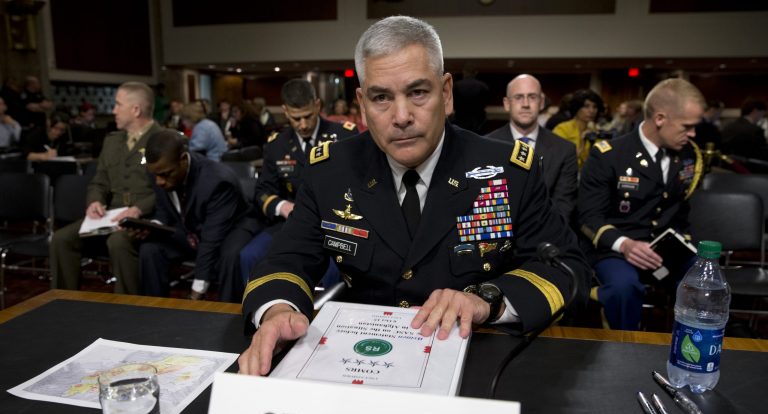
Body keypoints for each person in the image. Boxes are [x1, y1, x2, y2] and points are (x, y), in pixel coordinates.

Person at [238, 16, 589, 376]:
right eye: (381, 97)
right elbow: (286, 260)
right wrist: (278, 312)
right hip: (361, 363)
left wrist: (487, 299)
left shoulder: (508, 171)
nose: (401, 116)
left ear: (446, 92)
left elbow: (567, 270)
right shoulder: (331, 171)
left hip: (475, 359)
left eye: (418, 92)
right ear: (361, 102)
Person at [577, 78, 705, 331]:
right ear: (660, 119)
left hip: (665, 248)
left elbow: (681, 211)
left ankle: (691, 348)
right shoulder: (609, 155)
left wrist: (682, 243)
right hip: (615, 248)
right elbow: (588, 217)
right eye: (686, 126)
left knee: (705, 281)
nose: (693, 134)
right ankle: (625, 348)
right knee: (623, 288)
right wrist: (625, 244)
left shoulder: (689, 155)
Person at [238, 79, 358, 283]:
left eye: (308, 116)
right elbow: (263, 191)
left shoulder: (344, 135)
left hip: (334, 223)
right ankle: (257, 311)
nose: (303, 125)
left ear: (317, 106)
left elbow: (358, 184)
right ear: (285, 111)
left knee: (333, 267)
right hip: (291, 222)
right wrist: (282, 206)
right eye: (296, 118)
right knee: (249, 256)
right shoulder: (277, 144)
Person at [49, 81, 161, 295]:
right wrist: (95, 201)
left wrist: (138, 209)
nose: (113, 111)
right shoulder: (112, 141)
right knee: (61, 239)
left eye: (118, 105)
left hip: (146, 216)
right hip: (109, 214)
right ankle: (63, 303)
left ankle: (129, 308)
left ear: (135, 110)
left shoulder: (163, 139)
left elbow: (170, 189)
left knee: (118, 242)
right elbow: (99, 180)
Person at [138, 130, 260, 302]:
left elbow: (212, 239)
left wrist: (197, 290)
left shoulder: (217, 181)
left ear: (183, 160)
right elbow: (164, 208)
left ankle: (225, 316)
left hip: (230, 231)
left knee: (231, 255)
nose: (159, 181)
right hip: (192, 230)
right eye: (155, 175)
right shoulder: (159, 170)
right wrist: (154, 226)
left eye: (165, 175)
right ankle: (153, 308)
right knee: (150, 248)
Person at [486, 74, 578, 221]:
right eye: (518, 97)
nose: (526, 104)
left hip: (548, 236)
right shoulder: (485, 147)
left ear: (541, 102)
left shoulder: (565, 150)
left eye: (532, 97)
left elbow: (563, 207)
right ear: (506, 103)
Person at [553, 89, 605, 169]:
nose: (591, 111)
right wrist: (582, 144)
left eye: (595, 107)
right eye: (586, 106)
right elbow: (558, 159)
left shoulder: (596, 131)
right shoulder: (562, 129)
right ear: (577, 107)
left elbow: (600, 160)